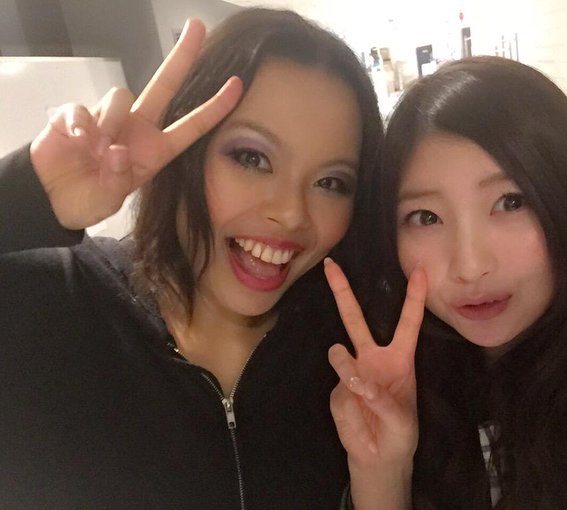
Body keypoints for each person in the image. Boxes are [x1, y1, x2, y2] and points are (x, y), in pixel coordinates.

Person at [0, 8, 384, 508]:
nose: (292, 214)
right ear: (185, 151)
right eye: (252, 158)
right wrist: (25, 194)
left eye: (330, 182)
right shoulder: (49, 304)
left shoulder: (351, 357)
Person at [325, 56, 567, 509]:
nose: (470, 266)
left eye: (511, 202)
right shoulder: (405, 368)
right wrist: (382, 472)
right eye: (426, 217)